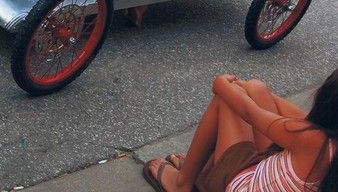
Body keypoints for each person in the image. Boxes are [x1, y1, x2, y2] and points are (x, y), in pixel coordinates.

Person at [143, 69, 338, 191]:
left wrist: (221, 84)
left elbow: (249, 112)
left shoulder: (312, 139)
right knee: (257, 90)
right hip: (272, 176)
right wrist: (250, 88)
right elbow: (292, 115)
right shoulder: (325, 142)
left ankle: (182, 183)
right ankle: (204, 173)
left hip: (241, 186)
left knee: (227, 101)